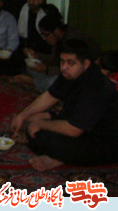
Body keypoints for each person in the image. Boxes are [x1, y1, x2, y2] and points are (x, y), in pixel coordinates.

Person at [10, 39, 118, 171]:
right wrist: (22, 115)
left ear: (86, 64)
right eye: (62, 62)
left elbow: (74, 129)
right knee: (33, 130)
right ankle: (60, 156)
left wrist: (41, 124)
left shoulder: (97, 87)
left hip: (102, 142)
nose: (64, 67)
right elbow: (50, 95)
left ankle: (59, 158)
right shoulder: (70, 74)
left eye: (71, 63)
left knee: (43, 137)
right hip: (80, 126)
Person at [19, 13, 102, 92]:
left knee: (53, 83)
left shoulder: (72, 40)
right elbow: (55, 60)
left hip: (85, 72)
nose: (44, 38)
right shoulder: (58, 39)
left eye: (46, 35)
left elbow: (73, 68)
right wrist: (37, 56)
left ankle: (34, 82)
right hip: (66, 70)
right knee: (31, 69)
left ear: (57, 30)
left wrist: (47, 69)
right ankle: (40, 84)